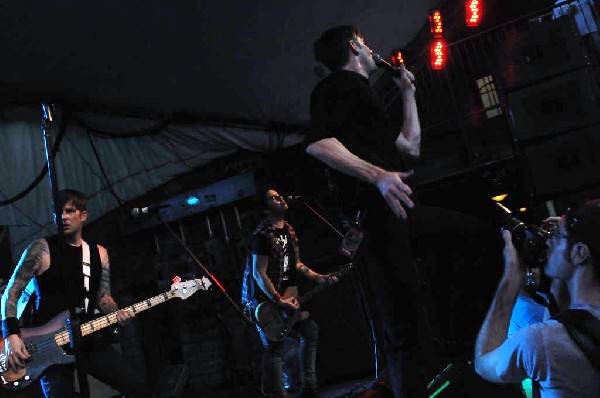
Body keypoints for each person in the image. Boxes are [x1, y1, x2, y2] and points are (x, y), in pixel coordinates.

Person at [306, 25, 430, 398]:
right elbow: (318, 144)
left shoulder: (364, 95)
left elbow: (410, 147)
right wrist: (377, 176)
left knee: (405, 306)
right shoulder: (339, 87)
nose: (373, 48)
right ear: (355, 45)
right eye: (366, 41)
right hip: (374, 214)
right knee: (398, 311)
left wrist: (407, 93)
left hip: (393, 211)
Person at [1, 189, 151, 398]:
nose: (63, 217)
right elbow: (11, 292)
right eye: (58, 212)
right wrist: (11, 336)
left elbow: (103, 297)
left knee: (137, 387)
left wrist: (117, 314)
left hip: (88, 336)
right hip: (47, 345)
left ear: (83, 216)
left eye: (69, 211)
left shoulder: (99, 253)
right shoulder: (41, 249)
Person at [474, 199, 600, 396]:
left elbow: (483, 363)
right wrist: (579, 231)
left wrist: (510, 279)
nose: (548, 241)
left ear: (580, 252)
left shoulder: (542, 341)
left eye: (557, 236)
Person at [241, 188, 338, 398]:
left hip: (283, 294)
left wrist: (318, 277)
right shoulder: (262, 236)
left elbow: (296, 263)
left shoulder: (289, 231)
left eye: (280, 196)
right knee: (275, 347)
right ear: (266, 209)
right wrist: (278, 299)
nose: (281, 199)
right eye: (274, 198)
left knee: (309, 331)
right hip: (261, 300)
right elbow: (259, 274)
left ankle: (309, 388)